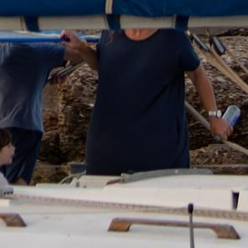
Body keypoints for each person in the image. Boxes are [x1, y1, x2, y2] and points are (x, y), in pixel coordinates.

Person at [62, 28, 230, 176]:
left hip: (159, 150)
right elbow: (102, 64)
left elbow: (198, 75)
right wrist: (82, 48)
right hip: (107, 148)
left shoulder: (173, 36)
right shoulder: (111, 32)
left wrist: (214, 117)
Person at [0, 39, 67, 185]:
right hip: (26, 126)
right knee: (19, 180)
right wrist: (67, 68)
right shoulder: (44, 51)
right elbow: (80, 52)